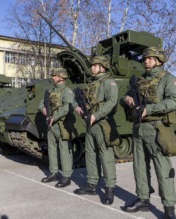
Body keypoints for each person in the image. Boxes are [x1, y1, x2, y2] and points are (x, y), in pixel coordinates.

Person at [122, 47, 176, 219]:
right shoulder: (139, 80)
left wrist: (151, 108)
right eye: (145, 59)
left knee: (163, 169)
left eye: (150, 58)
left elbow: (174, 101)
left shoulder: (167, 79)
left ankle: (169, 207)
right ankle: (143, 199)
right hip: (139, 127)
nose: (146, 61)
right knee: (139, 167)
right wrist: (127, 99)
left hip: (157, 128)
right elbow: (124, 97)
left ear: (159, 61)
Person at [73, 55, 118, 205]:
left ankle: (109, 188)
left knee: (106, 156)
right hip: (90, 124)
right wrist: (78, 108)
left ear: (103, 66)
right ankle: (92, 185)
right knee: (90, 155)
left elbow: (112, 101)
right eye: (91, 65)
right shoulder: (92, 83)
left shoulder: (108, 82)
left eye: (95, 65)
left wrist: (96, 115)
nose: (91, 67)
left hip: (103, 123)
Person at [38, 68, 76, 188]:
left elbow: (67, 107)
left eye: (55, 76)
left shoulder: (67, 91)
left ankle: (66, 176)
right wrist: (43, 109)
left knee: (64, 149)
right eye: (53, 75)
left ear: (61, 77)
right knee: (52, 148)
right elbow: (41, 103)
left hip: (62, 124)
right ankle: (53, 172)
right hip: (51, 124)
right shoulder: (50, 91)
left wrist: (54, 116)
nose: (53, 77)